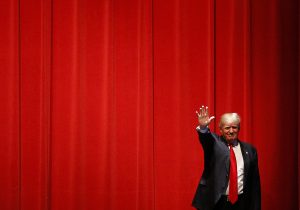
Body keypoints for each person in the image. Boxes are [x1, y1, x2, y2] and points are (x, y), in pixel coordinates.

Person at [192, 106, 261, 210]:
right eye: (227, 128)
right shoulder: (214, 143)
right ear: (221, 129)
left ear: (239, 128)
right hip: (218, 202)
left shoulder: (250, 150)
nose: (231, 131)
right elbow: (206, 139)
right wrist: (203, 128)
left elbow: (254, 183)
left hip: (241, 202)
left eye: (234, 127)